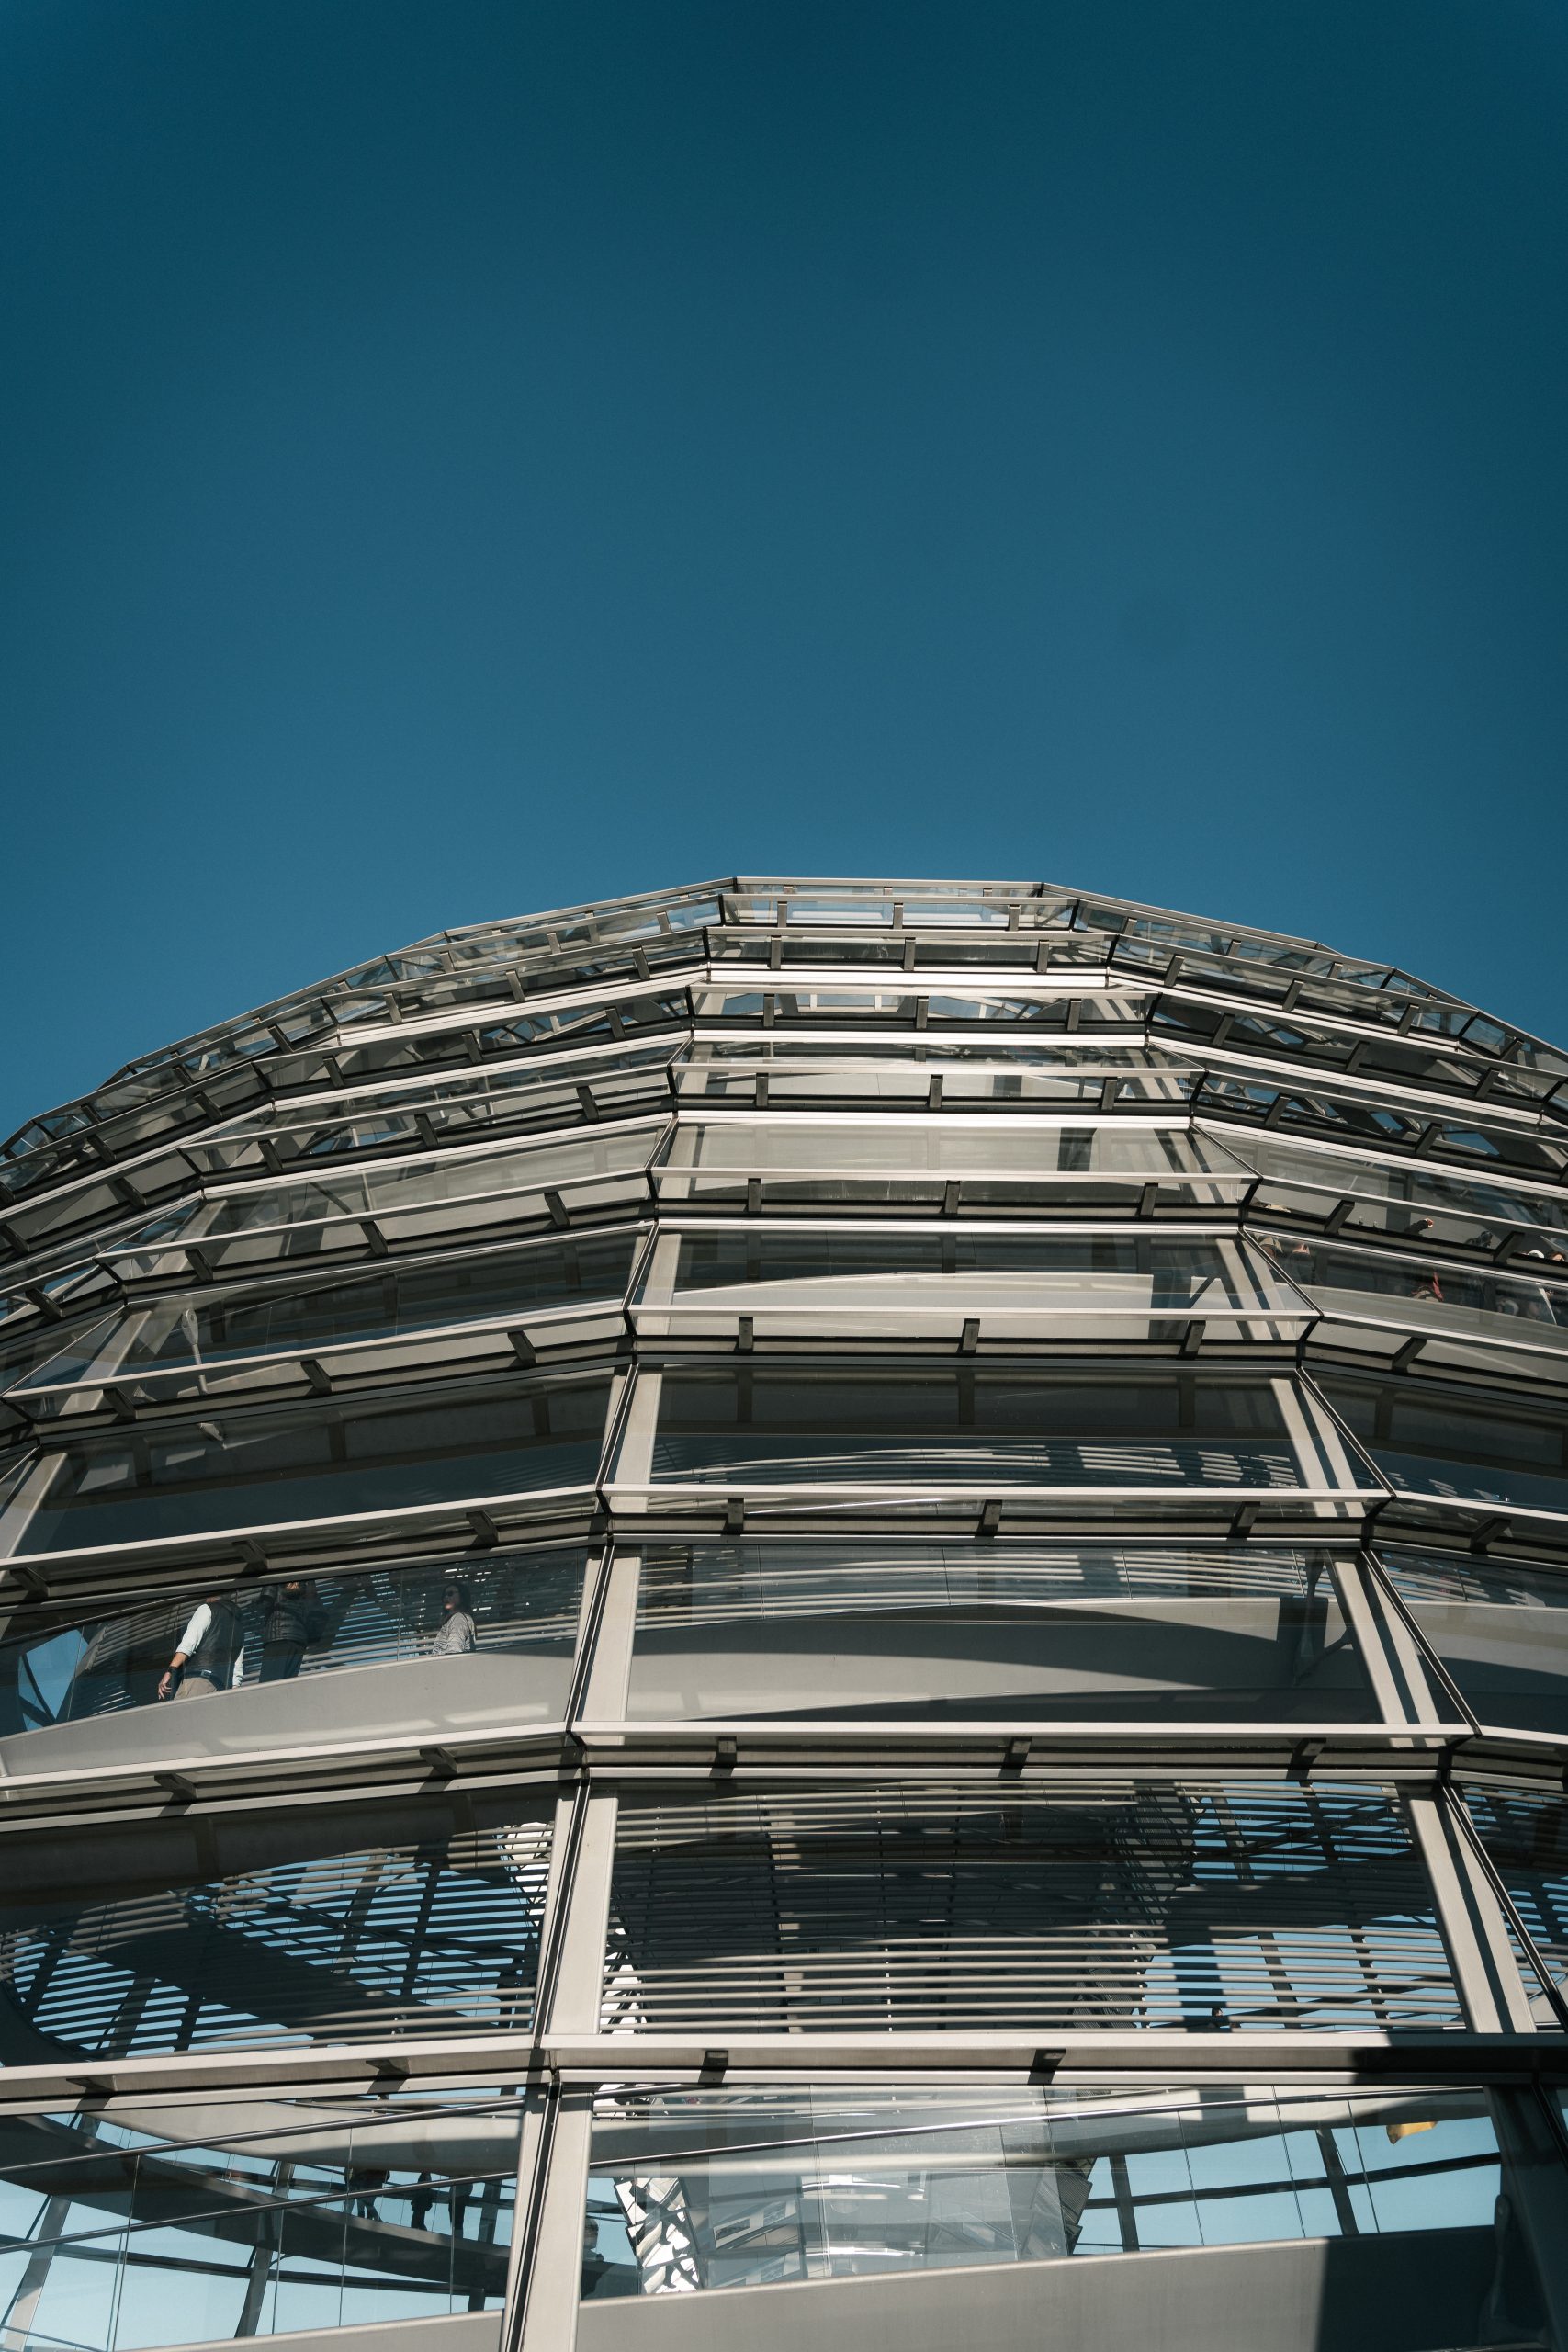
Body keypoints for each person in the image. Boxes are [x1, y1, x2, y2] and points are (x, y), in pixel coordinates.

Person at [158, 1590, 246, 1700]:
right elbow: (237, 1669)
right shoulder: (239, 1628)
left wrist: (170, 1670)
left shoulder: (207, 1609)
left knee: (182, 1715)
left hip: (198, 1680)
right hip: (220, 1688)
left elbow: (189, 1643)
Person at [257, 1577, 324, 1684]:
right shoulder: (307, 1579)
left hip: (277, 1636)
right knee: (286, 1686)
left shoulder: (275, 1575)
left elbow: (265, 1603)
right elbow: (316, 1610)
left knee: (268, 1687)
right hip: (299, 1640)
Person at [430, 1582, 478, 1655]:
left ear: (462, 1596)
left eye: (450, 1593)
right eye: (444, 1595)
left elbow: (454, 1652)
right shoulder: (454, 1619)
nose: (446, 1597)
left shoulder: (458, 1619)